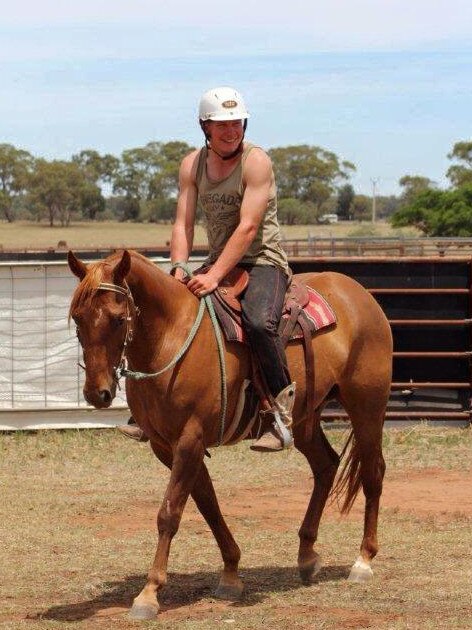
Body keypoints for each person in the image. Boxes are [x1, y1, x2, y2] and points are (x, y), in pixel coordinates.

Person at [118, 86, 295, 451]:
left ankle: (279, 413)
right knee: (163, 312)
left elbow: (247, 228)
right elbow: (183, 223)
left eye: (236, 123)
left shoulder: (256, 161)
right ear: (205, 127)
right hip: (219, 260)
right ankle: (145, 411)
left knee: (260, 322)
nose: (231, 131)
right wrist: (180, 267)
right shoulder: (192, 164)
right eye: (221, 125)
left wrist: (213, 276)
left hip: (263, 260)